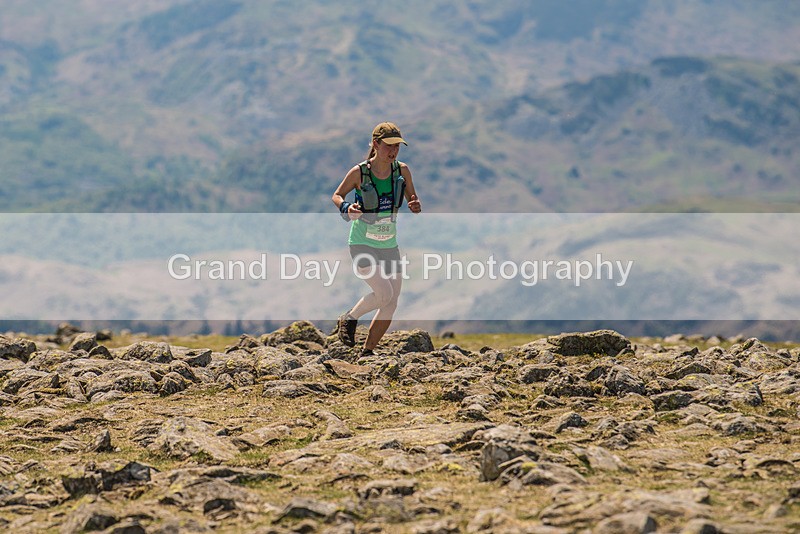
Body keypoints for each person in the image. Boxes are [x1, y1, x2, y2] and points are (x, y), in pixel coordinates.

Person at [331, 121, 422, 356]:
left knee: (392, 302)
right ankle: (349, 318)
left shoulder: (402, 171)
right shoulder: (359, 172)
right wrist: (347, 208)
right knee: (384, 294)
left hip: (389, 244)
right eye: (389, 145)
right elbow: (337, 195)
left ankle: (368, 352)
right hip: (362, 243)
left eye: (397, 146)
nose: (393, 151)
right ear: (376, 144)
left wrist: (415, 205)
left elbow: (412, 198)